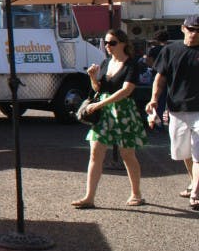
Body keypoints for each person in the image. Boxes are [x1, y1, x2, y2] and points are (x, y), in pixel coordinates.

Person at [71, 29, 148, 209]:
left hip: (123, 112)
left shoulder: (131, 65)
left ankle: (136, 194)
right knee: (95, 152)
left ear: (123, 43)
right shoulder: (106, 62)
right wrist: (92, 77)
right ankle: (89, 197)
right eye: (105, 42)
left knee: (127, 154)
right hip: (105, 112)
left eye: (112, 43)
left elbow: (126, 91)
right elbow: (99, 89)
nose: (107, 46)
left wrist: (98, 105)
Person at [146, 15, 199, 210]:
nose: (195, 34)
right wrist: (153, 99)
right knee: (184, 152)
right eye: (192, 29)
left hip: (198, 111)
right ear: (183, 28)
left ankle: (196, 193)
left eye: (198, 31)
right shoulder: (170, 50)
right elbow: (159, 78)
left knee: (198, 154)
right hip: (176, 109)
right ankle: (194, 182)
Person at [145, 30, 169, 129]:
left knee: (157, 99)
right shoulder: (170, 48)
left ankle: (158, 124)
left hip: (156, 76)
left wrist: (156, 67)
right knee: (168, 99)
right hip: (169, 76)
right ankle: (168, 121)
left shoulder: (153, 50)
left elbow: (149, 62)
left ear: (156, 39)